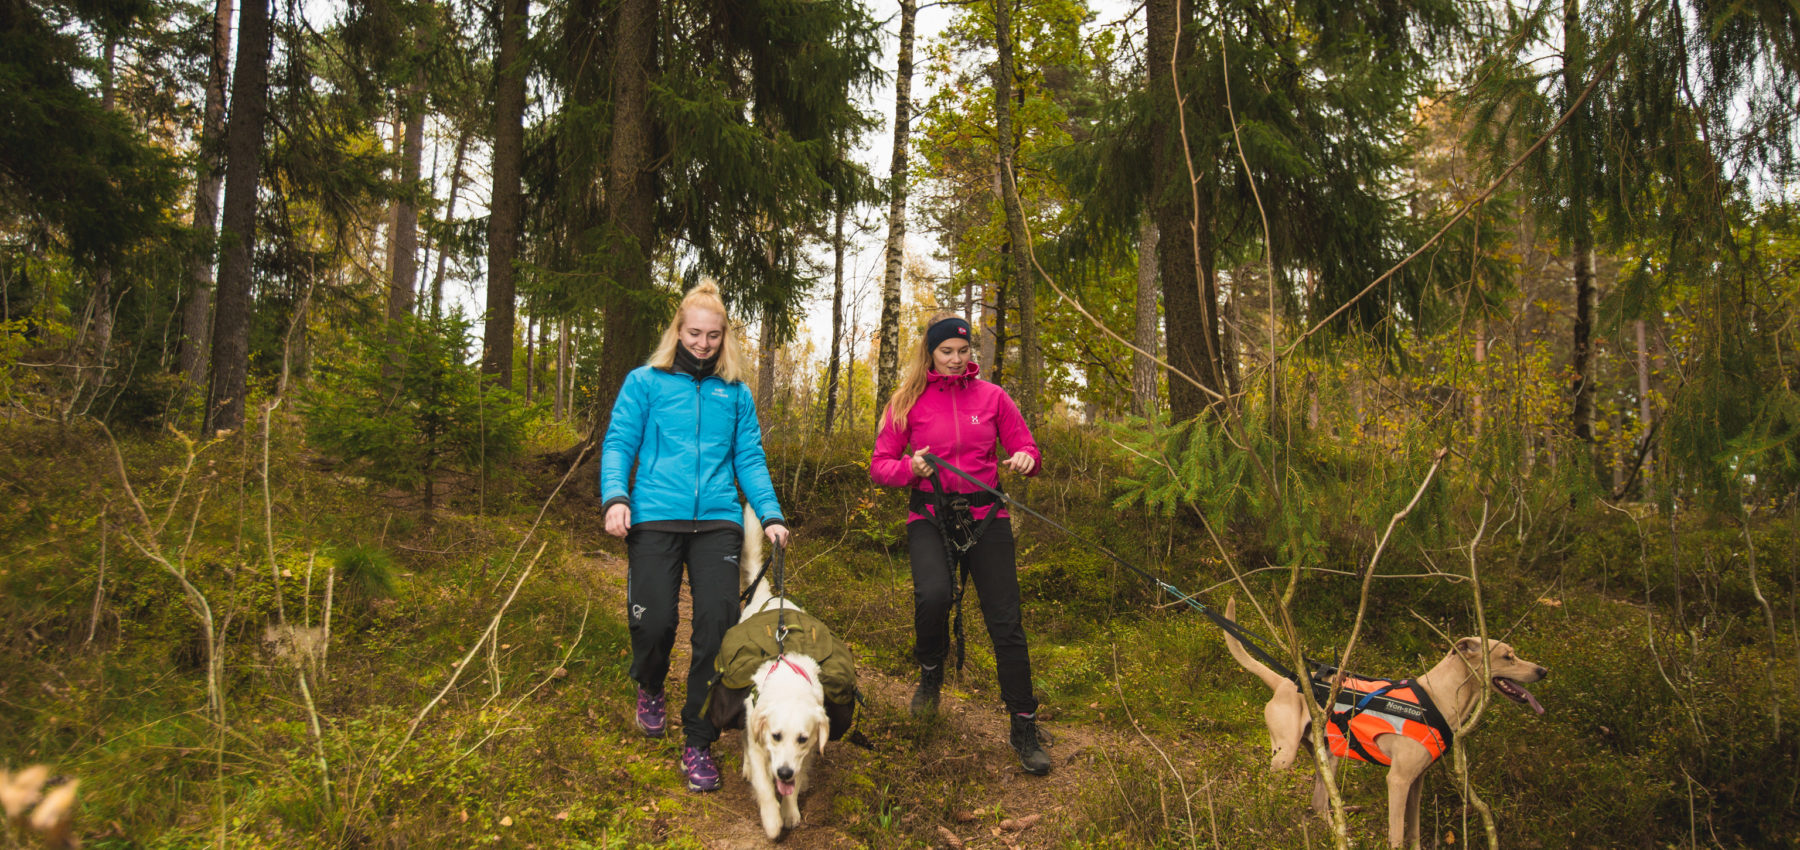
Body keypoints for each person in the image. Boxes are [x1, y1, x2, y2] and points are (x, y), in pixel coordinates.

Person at [600, 280, 789, 792]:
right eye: (694, 334)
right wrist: (616, 497)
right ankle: (651, 684)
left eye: (713, 335)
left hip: (718, 523)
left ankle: (698, 741)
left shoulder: (736, 394)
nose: (703, 344)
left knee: (716, 629)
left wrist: (769, 513)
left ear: (724, 337)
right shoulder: (645, 382)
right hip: (656, 515)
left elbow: (748, 457)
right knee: (656, 621)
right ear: (678, 332)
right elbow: (619, 442)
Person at [869, 313, 1051, 775]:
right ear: (930, 353)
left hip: (986, 514)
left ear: (972, 353)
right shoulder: (906, 401)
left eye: (962, 351)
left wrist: (1027, 459)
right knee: (933, 596)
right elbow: (880, 465)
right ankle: (931, 670)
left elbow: (1026, 447)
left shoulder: (993, 397)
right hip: (930, 513)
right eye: (946, 351)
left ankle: (1023, 722)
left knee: (1005, 620)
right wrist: (911, 468)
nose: (954, 359)